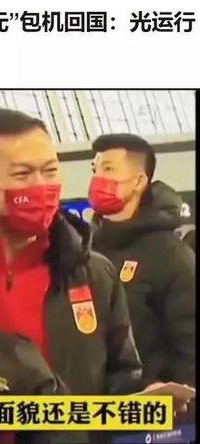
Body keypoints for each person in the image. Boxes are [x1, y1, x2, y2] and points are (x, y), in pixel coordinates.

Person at [0, 108, 144, 443]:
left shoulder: (93, 272)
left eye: (50, 171)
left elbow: (122, 375)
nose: (41, 186)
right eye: (22, 174)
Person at [88, 133, 196, 387]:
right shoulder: (83, 248)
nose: (98, 178)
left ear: (139, 181)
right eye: (95, 169)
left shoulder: (170, 255)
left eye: (108, 169)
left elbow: (189, 344)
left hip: (150, 400)